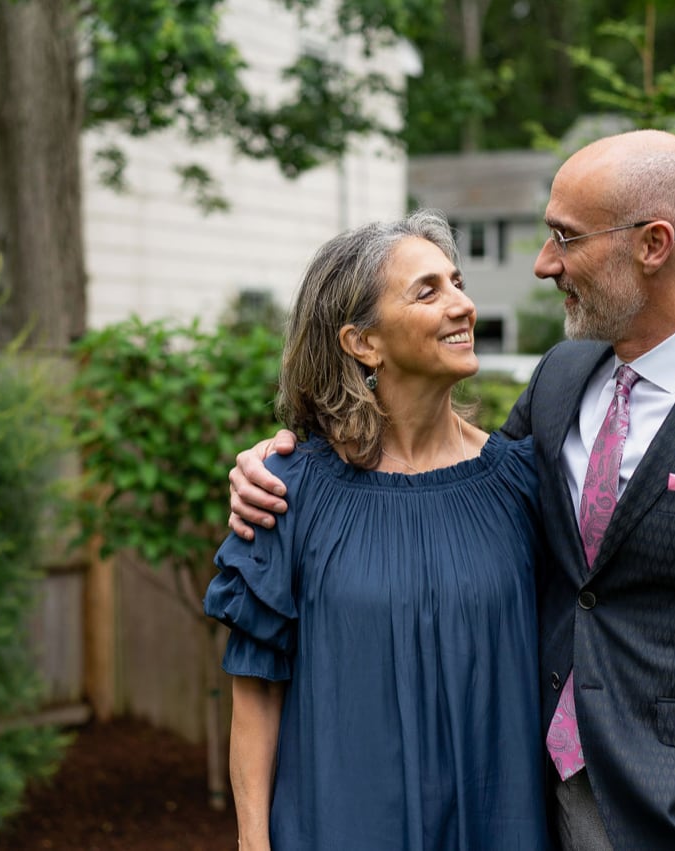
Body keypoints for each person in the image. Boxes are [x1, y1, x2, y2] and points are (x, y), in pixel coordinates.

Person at [228, 130, 675, 851]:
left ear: (652, 245)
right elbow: (435, 490)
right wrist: (273, 458)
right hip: (533, 799)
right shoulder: (560, 383)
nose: (543, 264)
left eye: (565, 238)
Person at [203, 211, 551, 850]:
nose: (463, 305)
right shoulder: (286, 493)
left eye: (457, 282)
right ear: (362, 343)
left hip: (498, 825)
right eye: (429, 292)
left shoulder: (523, 483)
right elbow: (255, 696)